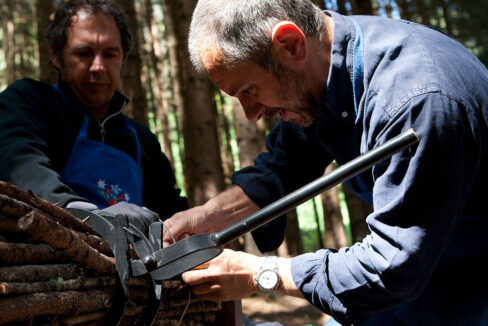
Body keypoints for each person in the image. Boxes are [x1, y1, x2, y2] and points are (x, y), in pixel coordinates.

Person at [162, 0, 488, 325]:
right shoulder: (323, 70)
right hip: (419, 283)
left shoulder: (417, 101)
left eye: (250, 90)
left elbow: (393, 265)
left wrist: (259, 273)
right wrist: (211, 217)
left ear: (290, 43)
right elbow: (285, 164)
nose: (252, 113)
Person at [0, 0, 187, 229]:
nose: (98, 66)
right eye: (84, 53)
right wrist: (81, 212)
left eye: (110, 54)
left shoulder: (142, 140)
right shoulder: (29, 103)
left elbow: (172, 211)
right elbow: (19, 162)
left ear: (123, 58)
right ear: (57, 56)